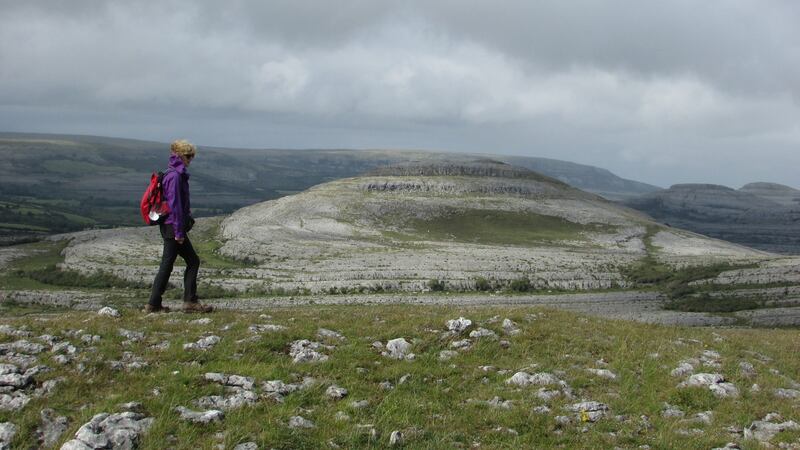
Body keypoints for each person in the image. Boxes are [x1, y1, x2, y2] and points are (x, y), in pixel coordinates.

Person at [145, 139, 213, 313]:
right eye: (189, 156)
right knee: (183, 262)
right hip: (172, 226)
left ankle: (156, 303)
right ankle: (185, 302)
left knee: (177, 263)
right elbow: (175, 205)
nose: (190, 160)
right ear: (181, 155)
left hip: (171, 226)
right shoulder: (175, 176)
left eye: (192, 156)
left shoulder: (173, 173)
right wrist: (179, 231)